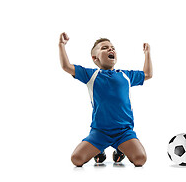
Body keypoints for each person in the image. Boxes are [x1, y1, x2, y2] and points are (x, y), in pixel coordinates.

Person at [59, 32, 153, 167]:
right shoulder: (91, 75)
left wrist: (147, 53)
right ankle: (99, 150)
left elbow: (148, 74)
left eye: (112, 47)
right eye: (104, 48)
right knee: (76, 159)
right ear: (95, 58)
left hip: (123, 131)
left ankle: (120, 150)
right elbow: (66, 67)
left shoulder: (126, 76)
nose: (111, 49)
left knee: (140, 159)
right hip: (100, 132)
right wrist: (61, 45)